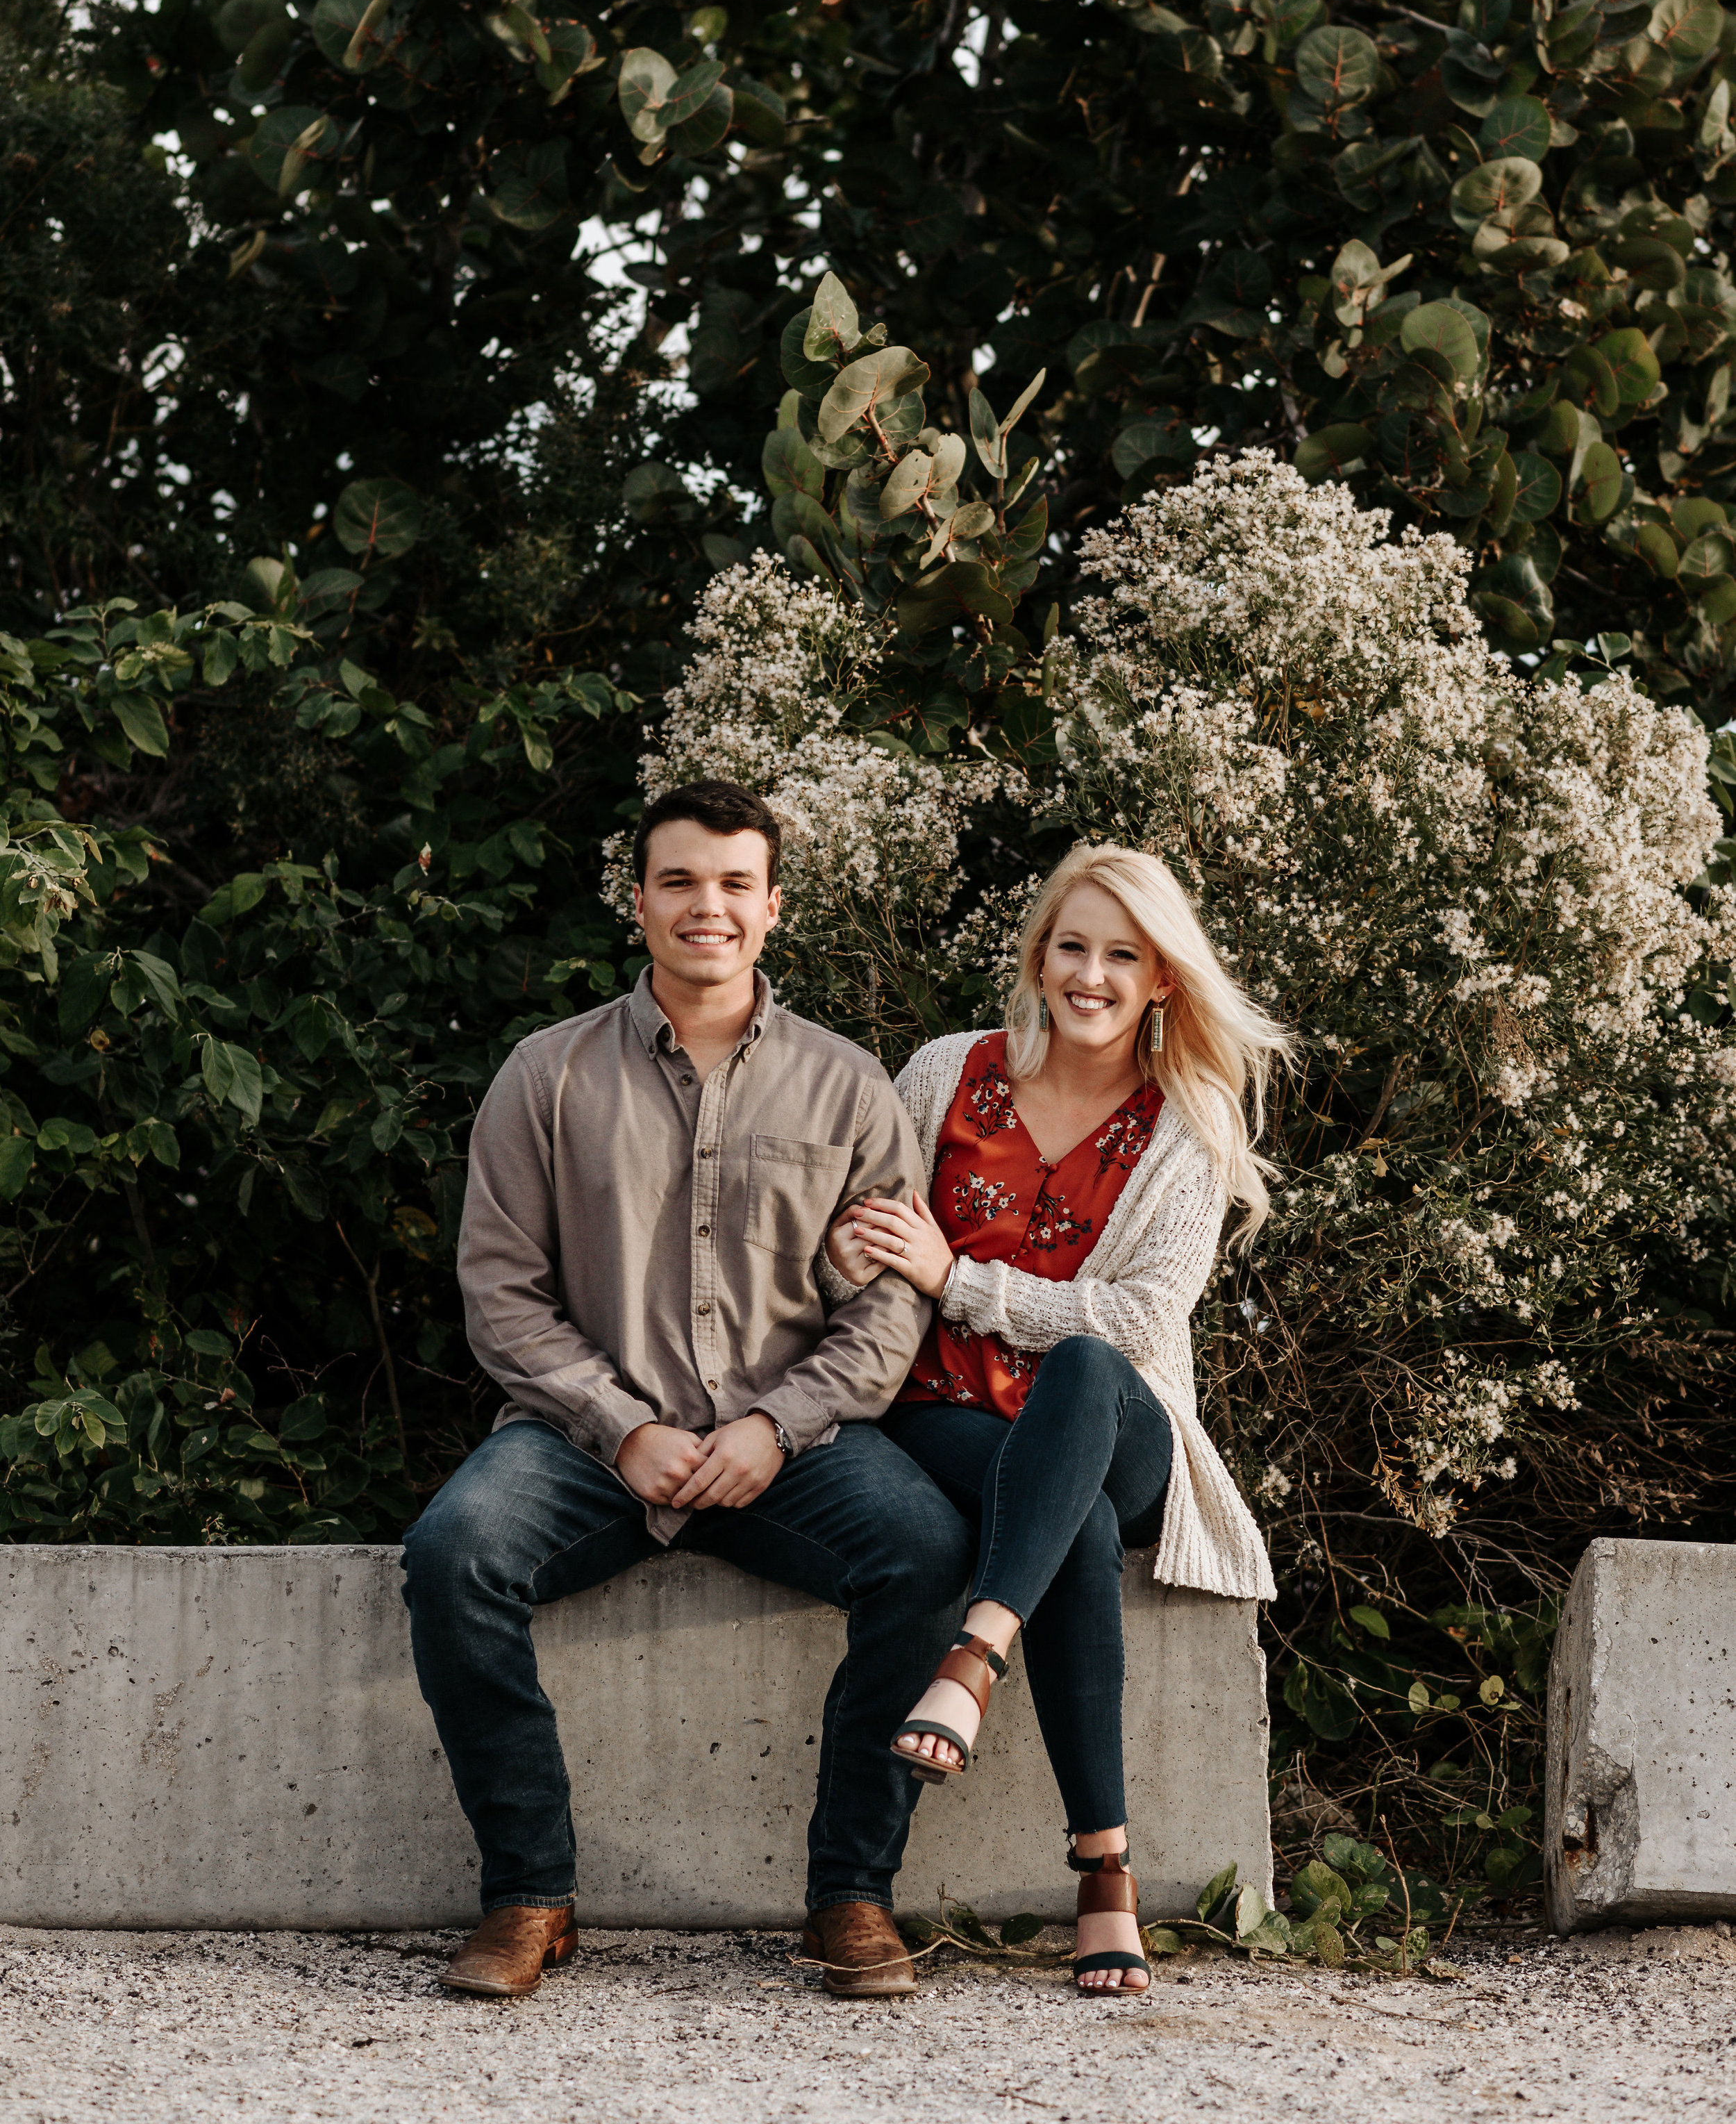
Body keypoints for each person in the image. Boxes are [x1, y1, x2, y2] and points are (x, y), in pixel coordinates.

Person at [402, 778, 974, 2002]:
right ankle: (529, 1896)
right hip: (583, 1438)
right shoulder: (545, 1076)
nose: (704, 905)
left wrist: (780, 1423)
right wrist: (621, 1429)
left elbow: (891, 1305)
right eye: (678, 880)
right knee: (455, 1552)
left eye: (731, 883)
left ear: (771, 907)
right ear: (641, 900)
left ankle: (850, 1898)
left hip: (795, 1442)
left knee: (925, 1548)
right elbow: (502, 1293)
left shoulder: (848, 1085)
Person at [824, 843, 1286, 1998]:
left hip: (1117, 1425)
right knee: (1060, 1523)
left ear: (1162, 979)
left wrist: (956, 1279)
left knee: (1084, 1368)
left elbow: (1138, 1320)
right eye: (1071, 946)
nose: (1090, 973)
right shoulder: (945, 1072)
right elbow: (859, 1234)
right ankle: (1105, 1876)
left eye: (1121, 954)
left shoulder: (1190, 1119)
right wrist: (856, 1255)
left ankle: (974, 1656)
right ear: (1039, 955)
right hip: (945, 1417)